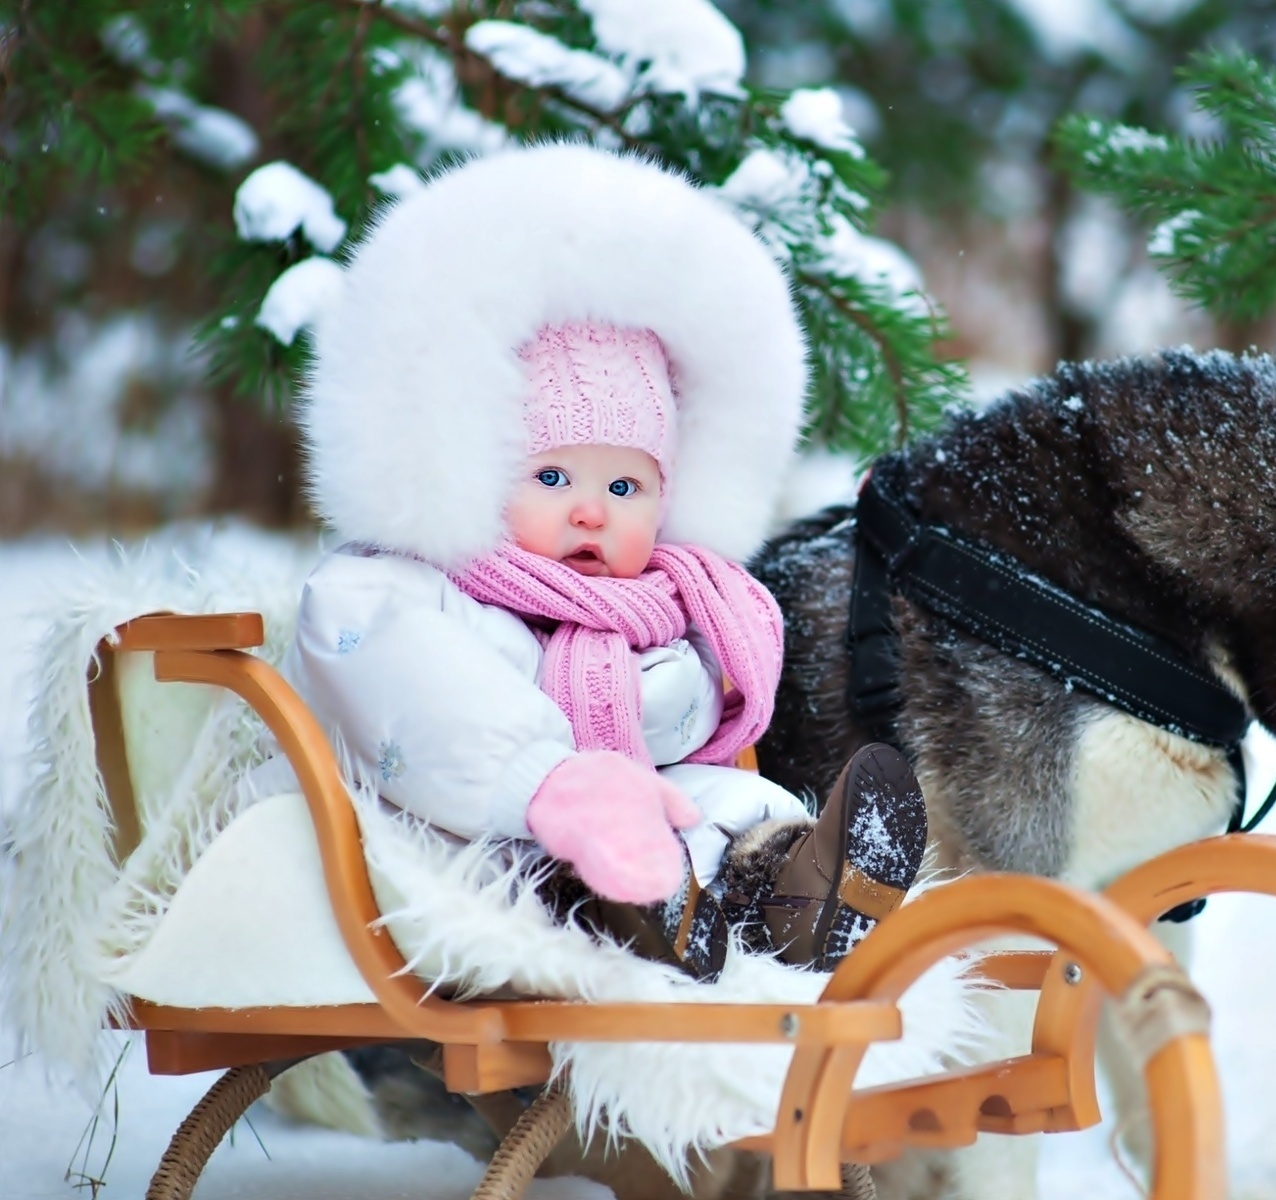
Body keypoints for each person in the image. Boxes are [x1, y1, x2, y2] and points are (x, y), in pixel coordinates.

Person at [285, 145, 926, 981]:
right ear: (475, 471)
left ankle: (792, 887)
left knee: (734, 805)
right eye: (551, 477)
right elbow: (418, 694)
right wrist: (556, 785)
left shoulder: (662, 612)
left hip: (642, 808)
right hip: (476, 828)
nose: (591, 509)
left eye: (625, 484)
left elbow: (684, 727)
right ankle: (626, 901)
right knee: (579, 842)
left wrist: (662, 693)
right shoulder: (399, 588)